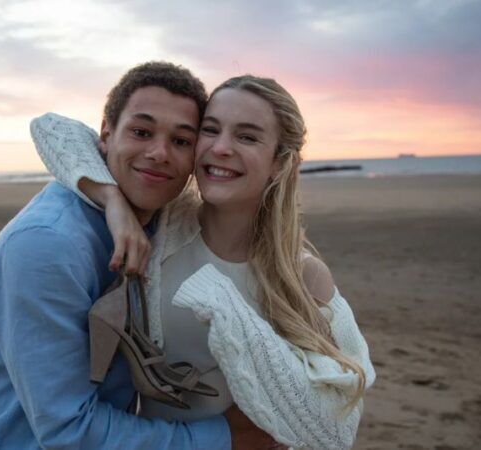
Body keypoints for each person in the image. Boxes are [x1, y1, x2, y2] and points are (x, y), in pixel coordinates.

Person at [33, 75, 376, 448]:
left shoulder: (302, 275)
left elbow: (335, 427)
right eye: (210, 131)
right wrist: (112, 200)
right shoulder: (165, 226)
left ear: (279, 162)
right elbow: (52, 128)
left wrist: (225, 307)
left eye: (246, 137)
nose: (222, 148)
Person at [0, 62, 277, 449]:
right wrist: (224, 439)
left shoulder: (163, 220)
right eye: (141, 132)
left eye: (181, 141)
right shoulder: (46, 247)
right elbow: (69, 432)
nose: (159, 153)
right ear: (106, 134)